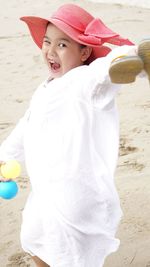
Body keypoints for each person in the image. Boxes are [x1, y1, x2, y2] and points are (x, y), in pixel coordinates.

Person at [0, 3, 149, 267]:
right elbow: (27, 125)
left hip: (74, 194)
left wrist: (133, 56)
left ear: (84, 52)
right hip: (46, 193)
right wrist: (4, 156)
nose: (50, 51)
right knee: (35, 239)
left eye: (62, 45)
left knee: (71, 254)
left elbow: (102, 73)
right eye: (47, 42)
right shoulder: (46, 88)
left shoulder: (83, 82)